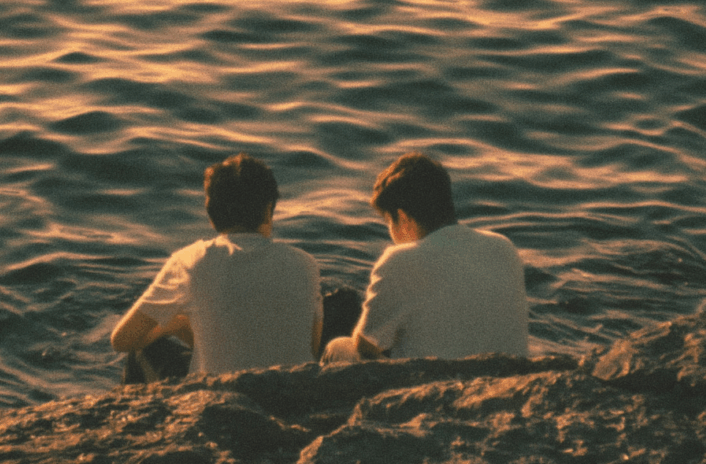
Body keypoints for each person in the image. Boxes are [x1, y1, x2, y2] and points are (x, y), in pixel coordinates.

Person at [112, 153, 322, 378]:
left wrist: (173, 326)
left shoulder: (190, 261)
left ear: (212, 212)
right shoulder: (305, 263)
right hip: (291, 393)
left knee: (142, 350)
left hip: (218, 396)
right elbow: (311, 348)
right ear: (268, 209)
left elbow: (122, 339)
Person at [321, 153, 529, 364]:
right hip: (506, 377)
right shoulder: (502, 246)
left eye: (389, 223)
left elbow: (366, 343)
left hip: (436, 385)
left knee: (339, 346)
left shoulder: (400, 260)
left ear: (403, 218)